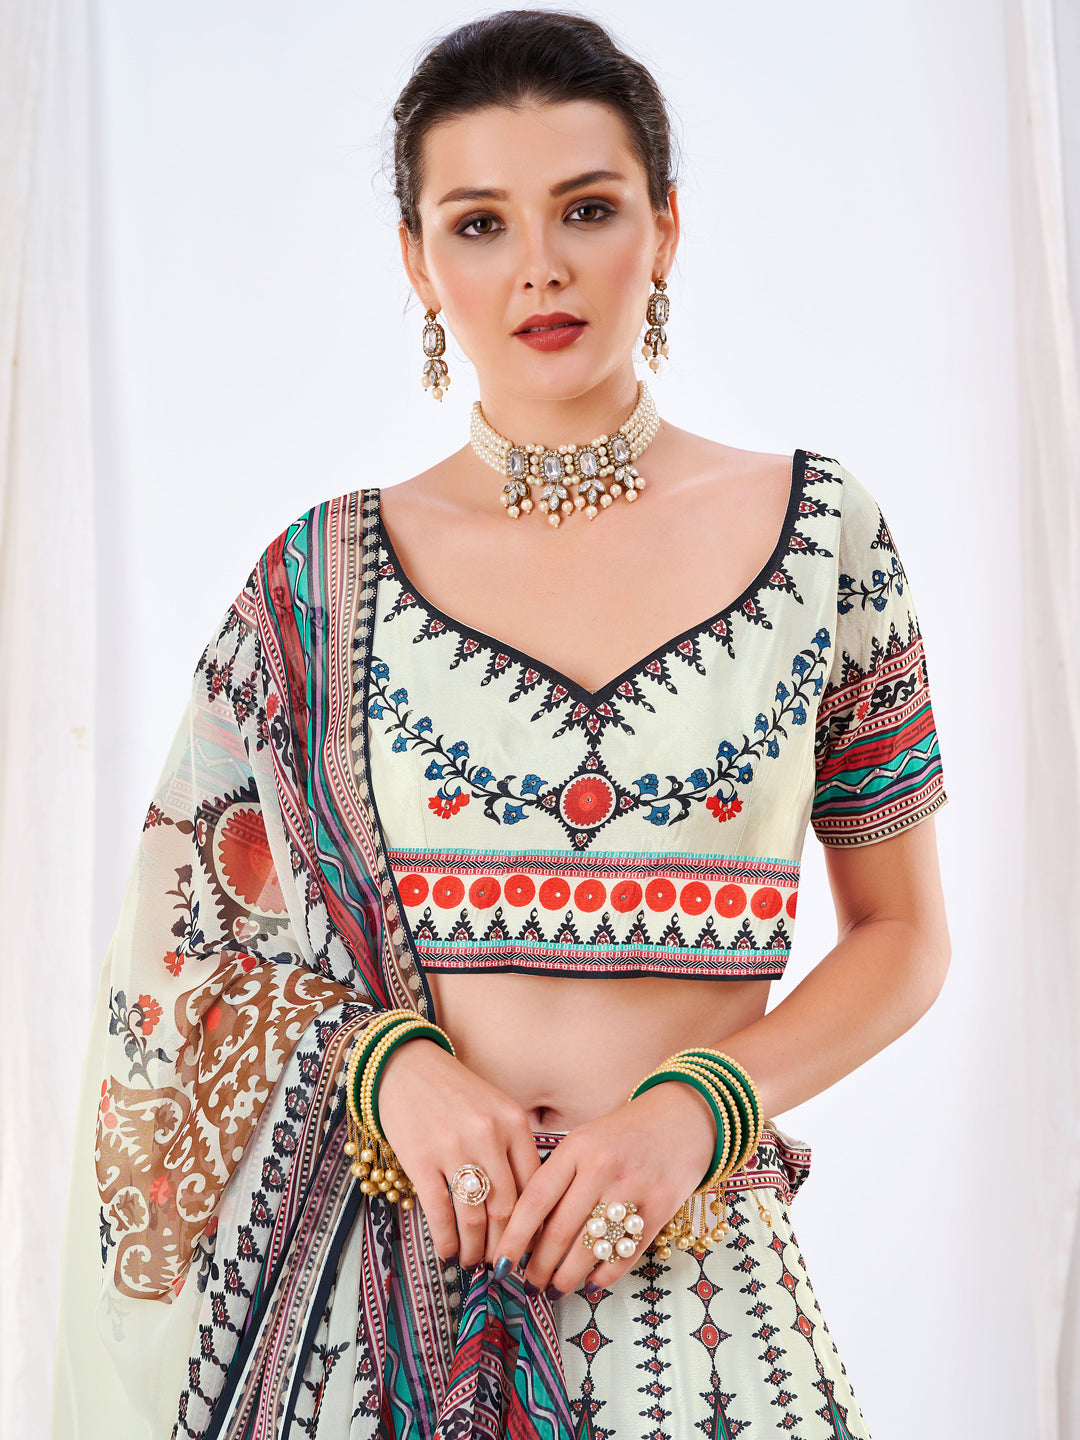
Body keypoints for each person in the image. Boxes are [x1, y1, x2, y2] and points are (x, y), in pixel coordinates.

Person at [53, 11, 951, 1438]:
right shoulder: (317, 583)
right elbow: (186, 944)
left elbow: (903, 937)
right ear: (419, 263)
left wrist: (698, 1107)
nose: (540, 266)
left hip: (701, 1314)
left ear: (664, 226)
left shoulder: (821, 538)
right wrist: (386, 1065)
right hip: (366, 1333)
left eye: (586, 208)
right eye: (479, 223)